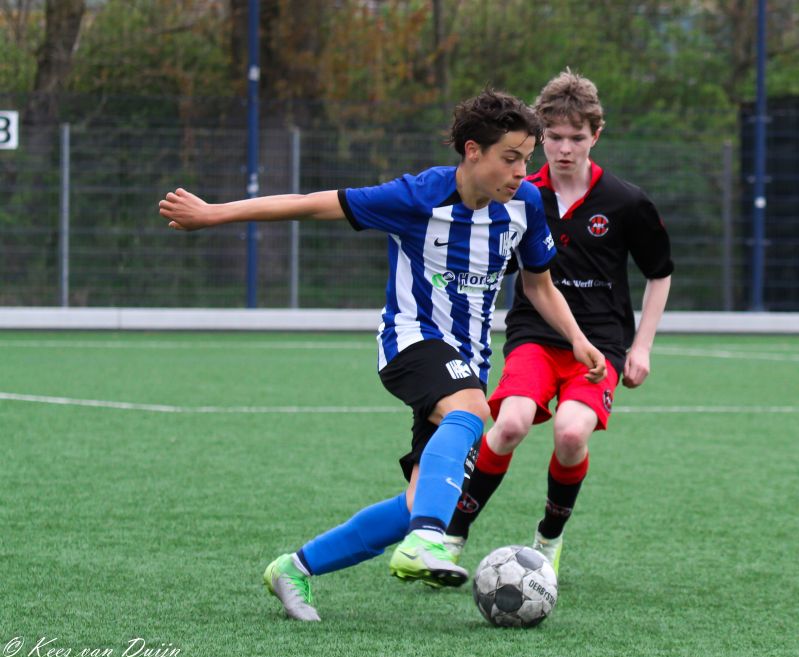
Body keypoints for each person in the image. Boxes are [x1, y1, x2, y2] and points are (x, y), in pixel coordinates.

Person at [158, 89, 606, 622]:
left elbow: (539, 285)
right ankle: (428, 540)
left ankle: (294, 568)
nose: (521, 172)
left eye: (526, 159)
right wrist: (213, 214)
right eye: (510, 158)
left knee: (419, 500)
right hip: (410, 342)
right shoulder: (416, 196)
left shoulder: (525, 205)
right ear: (472, 151)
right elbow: (310, 203)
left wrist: (577, 339)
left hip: (468, 361)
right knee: (472, 411)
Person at [444, 71, 673, 575]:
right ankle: (453, 535)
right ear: (539, 135)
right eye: (554, 137)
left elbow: (660, 273)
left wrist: (642, 347)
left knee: (571, 434)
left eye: (576, 137)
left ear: (596, 135)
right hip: (534, 334)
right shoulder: (518, 193)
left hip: (601, 343)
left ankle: (549, 537)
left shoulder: (626, 201)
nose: (564, 149)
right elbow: (494, 262)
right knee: (510, 424)